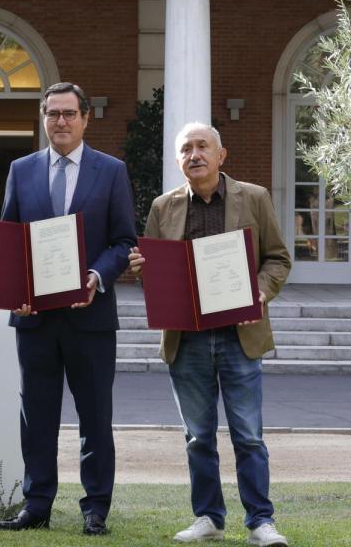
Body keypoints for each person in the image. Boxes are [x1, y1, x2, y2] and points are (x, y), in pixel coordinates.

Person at [128, 123, 291, 546]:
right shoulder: (163, 207)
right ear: (178, 160)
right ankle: (208, 518)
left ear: (222, 155)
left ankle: (260, 521)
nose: (195, 154)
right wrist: (144, 271)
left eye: (203, 147)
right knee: (198, 436)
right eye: (186, 149)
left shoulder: (253, 197)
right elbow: (154, 274)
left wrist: (259, 291)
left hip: (241, 336)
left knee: (248, 435)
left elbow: (278, 258)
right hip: (188, 339)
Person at [0, 82, 136, 536]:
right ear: (43, 117)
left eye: (68, 114)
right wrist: (12, 288)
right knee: (36, 415)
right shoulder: (21, 169)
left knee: (95, 416)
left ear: (85, 118)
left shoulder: (111, 171)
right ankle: (36, 505)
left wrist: (96, 276)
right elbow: (9, 240)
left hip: (90, 315)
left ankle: (95, 508)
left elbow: (123, 241)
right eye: (52, 114)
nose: (60, 122)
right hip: (34, 317)